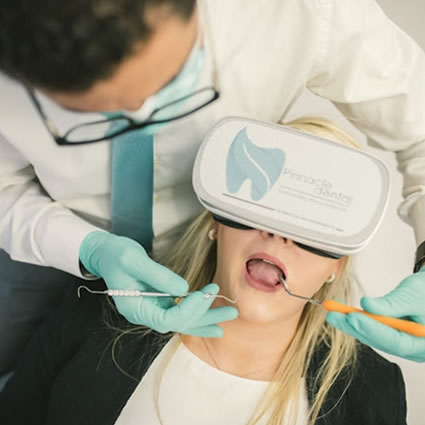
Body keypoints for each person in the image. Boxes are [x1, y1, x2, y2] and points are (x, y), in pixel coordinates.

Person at [0, 0, 424, 377]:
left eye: (170, 86)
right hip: (42, 250)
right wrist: (85, 247)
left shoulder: (302, 11)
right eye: (94, 113)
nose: (146, 119)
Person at [0, 116, 407, 425]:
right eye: (259, 198)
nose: (279, 234)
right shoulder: (100, 316)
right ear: (216, 222)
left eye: (312, 224)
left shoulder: (371, 389)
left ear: (337, 263)